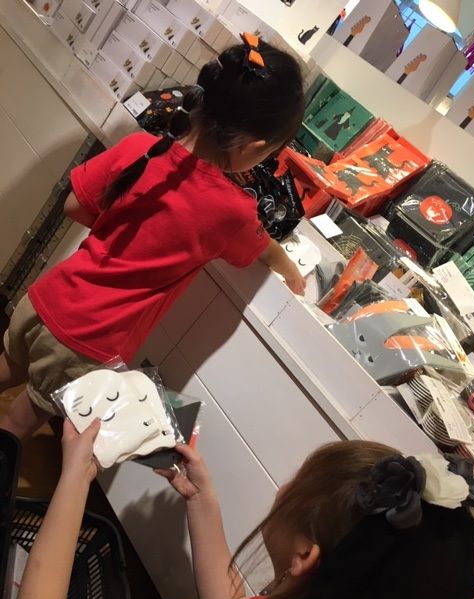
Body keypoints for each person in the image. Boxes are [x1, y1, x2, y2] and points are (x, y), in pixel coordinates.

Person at [0, 33, 307, 440]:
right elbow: (259, 247)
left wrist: (122, 232)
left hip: (46, 299)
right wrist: (290, 269)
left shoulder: (141, 146)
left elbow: (74, 204)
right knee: (17, 424)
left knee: (7, 367)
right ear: (254, 147)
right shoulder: (231, 211)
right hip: (86, 340)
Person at [9, 420, 474, 599]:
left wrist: (76, 476)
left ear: (304, 556)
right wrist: (202, 500)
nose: (284, 488)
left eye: (296, 483)